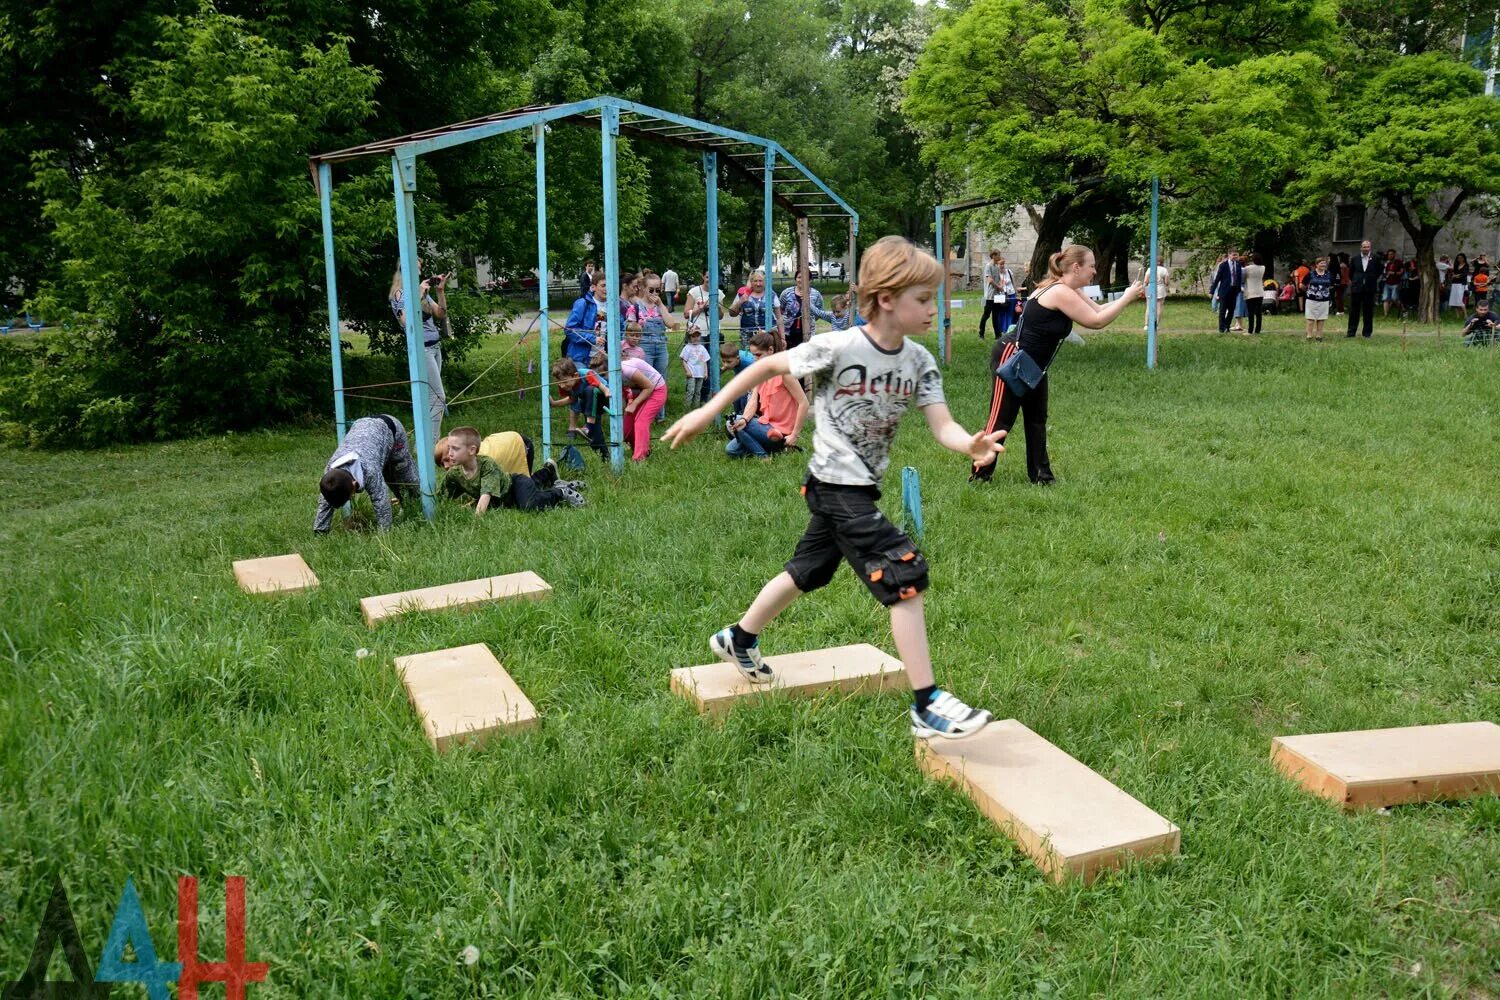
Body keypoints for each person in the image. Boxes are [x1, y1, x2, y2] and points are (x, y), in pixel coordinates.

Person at [663, 235, 1005, 740]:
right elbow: (765, 366)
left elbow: (942, 425)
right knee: (904, 573)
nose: (934, 309)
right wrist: (708, 410)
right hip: (833, 482)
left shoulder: (919, 362)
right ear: (887, 299)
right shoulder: (838, 346)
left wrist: (968, 444)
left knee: (809, 570)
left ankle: (739, 637)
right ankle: (927, 702)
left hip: (859, 489)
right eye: (924, 299)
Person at [973, 245, 1145, 485]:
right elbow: (1096, 322)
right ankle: (980, 475)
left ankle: (1042, 477)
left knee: (1036, 419)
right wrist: (1127, 297)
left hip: (1034, 363)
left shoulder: (1071, 290)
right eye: (1091, 265)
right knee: (1001, 420)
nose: (1095, 271)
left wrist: (1127, 296)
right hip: (1012, 356)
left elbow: (1098, 310)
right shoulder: (1060, 291)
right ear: (1076, 267)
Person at [313, 414, 419, 534]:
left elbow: (381, 502)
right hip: (363, 427)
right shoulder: (330, 471)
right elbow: (326, 500)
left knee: (405, 474)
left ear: (354, 484)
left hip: (392, 428)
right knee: (387, 474)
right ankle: (406, 505)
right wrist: (320, 531)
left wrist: (383, 535)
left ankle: (420, 503)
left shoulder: (370, 471)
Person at [440, 426, 585, 513]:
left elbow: (485, 495)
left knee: (529, 505)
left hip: (516, 484)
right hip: (505, 499)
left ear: (472, 450)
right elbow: (443, 496)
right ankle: (550, 475)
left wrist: (476, 521)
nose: (450, 454)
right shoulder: (454, 474)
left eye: (455, 449)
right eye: (449, 449)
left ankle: (561, 492)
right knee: (525, 498)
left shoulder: (486, 464)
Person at [389, 263, 448, 446]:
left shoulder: (422, 291)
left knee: (429, 398)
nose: (419, 271)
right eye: (415, 267)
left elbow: (441, 313)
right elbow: (406, 321)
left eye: (420, 268)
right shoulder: (400, 294)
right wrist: (419, 295)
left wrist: (439, 291)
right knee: (439, 398)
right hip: (422, 350)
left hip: (435, 347)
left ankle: (421, 445)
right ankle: (431, 448)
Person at [724, 333, 808, 459]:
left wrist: (794, 435)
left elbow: (804, 403)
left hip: (781, 431)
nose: (755, 359)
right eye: (753, 355)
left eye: (758, 355)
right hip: (767, 427)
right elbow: (752, 402)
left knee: (736, 422)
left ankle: (763, 456)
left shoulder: (785, 373)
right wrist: (744, 420)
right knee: (731, 450)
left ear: (770, 350)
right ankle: (777, 448)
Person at [590, 347, 666, 461]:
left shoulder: (627, 370)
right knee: (626, 430)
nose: (602, 379)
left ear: (611, 369)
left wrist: (634, 404)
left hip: (656, 389)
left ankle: (639, 458)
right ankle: (641, 448)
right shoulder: (610, 375)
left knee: (641, 421)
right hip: (638, 391)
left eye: (603, 375)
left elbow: (649, 386)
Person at [549, 358, 609, 460]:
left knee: (590, 390)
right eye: (559, 383)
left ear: (575, 375)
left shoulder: (586, 374)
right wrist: (554, 404)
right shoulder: (569, 386)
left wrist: (607, 392)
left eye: (564, 382)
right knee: (594, 435)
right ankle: (605, 458)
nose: (562, 385)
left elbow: (600, 386)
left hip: (604, 398)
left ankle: (588, 426)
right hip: (591, 407)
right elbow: (572, 399)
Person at [728, 270, 784, 349]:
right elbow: (732, 313)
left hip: (769, 335)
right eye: (755, 281)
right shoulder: (742, 294)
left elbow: (779, 318)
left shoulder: (771, 294)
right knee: (750, 359)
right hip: (747, 336)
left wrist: (782, 338)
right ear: (751, 282)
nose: (758, 284)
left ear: (764, 282)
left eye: (760, 281)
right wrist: (740, 301)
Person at [780, 280, 834, 350]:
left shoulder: (816, 294)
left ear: (809, 280)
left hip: (808, 332)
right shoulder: (787, 292)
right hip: (789, 332)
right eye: (799, 277)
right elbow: (781, 309)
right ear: (795, 279)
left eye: (804, 277)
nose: (801, 279)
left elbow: (820, 311)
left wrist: (812, 318)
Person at [979, 251, 1016, 341]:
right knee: (986, 315)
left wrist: (1001, 286)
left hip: (997, 296)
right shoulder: (989, 266)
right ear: (994, 256)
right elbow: (990, 280)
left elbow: (998, 280)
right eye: (998, 255)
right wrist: (999, 286)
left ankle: (998, 335)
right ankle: (981, 334)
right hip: (989, 296)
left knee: (996, 315)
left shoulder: (996, 266)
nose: (1000, 256)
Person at [1347, 239, 1380, 338]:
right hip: (1357, 288)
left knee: (1368, 311)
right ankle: (1351, 332)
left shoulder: (1376, 258)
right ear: (1361, 248)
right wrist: (1357, 281)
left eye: (1368, 247)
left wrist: (1371, 279)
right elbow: (1351, 273)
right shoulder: (1355, 259)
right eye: (1364, 247)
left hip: (1370, 288)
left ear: (1370, 248)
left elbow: (1379, 271)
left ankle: (1367, 333)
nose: (1366, 249)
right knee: (1354, 311)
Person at [1208, 249, 1244, 334]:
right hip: (1224, 291)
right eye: (1233, 255)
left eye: (1236, 255)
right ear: (1229, 255)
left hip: (1234, 290)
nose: (1235, 257)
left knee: (1231, 310)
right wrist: (1212, 291)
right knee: (1222, 310)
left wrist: (1238, 289)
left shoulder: (1238, 265)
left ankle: (1227, 326)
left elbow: (1239, 278)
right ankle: (1221, 327)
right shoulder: (1223, 265)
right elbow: (1217, 279)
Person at [685, 270, 726, 338]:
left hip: (714, 333)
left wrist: (718, 307)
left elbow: (720, 317)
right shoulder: (694, 292)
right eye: (707, 277)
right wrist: (700, 308)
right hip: (697, 334)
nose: (709, 280)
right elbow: (686, 314)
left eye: (712, 278)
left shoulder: (719, 293)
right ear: (703, 277)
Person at [1303, 257, 1333, 341]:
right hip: (1311, 299)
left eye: (1324, 263)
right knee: (1310, 317)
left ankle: (1319, 335)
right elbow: (1302, 285)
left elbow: (1331, 285)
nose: (1323, 265)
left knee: (1321, 318)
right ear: (1316, 265)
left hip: (1324, 300)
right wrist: (1309, 291)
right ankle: (1309, 335)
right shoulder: (1310, 274)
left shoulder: (1329, 274)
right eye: (1321, 263)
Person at [680, 328, 711, 409]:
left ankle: (696, 407)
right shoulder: (687, 348)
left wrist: (706, 372)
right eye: (693, 336)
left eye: (698, 336)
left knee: (698, 391)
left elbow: (705, 361)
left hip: (700, 373)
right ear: (689, 337)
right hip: (692, 373)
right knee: (691, 390)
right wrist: (687, 371)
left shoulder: (702, 348)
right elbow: (683, 360)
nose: (696, 338)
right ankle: (687, 407)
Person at [1243, 254, 1266, 335]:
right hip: (1260, 291)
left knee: (1251, 313)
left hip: (1250, 292)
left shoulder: (1248, 268)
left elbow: (1243, 277)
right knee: (1258, 313)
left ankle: (1250, 330)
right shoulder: (1263, 267)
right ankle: (1258, 330)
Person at [1381, 249, 1403, 317]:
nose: (1390, 256)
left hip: (1396, 283)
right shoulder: (1387, 263)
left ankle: (1403, 309)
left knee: (1394, 299)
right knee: (1385, 299)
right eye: (1389, 254)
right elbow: (1384, 272)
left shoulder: (1399, 262)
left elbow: (1402, 272)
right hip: (1387, 283)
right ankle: (1385, 315)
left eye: (1391, 254)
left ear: (1394, 255)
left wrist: (1393, 273)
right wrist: (1384, 275)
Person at [1448, 252, 1470, 319]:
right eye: (1458, 258)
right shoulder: (1456, 265)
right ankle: (1457, 316)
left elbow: (1464, 274)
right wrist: (1455, 276)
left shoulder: (1466, 265)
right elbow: (1453, 274)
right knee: (1454, 300)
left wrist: (1456, 275)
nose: (1459, 259)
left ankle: (1465, 315)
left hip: (1461, 284)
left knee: (1459, 300)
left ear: (1464, 258)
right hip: (1454, 284)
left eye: (1461, 258)